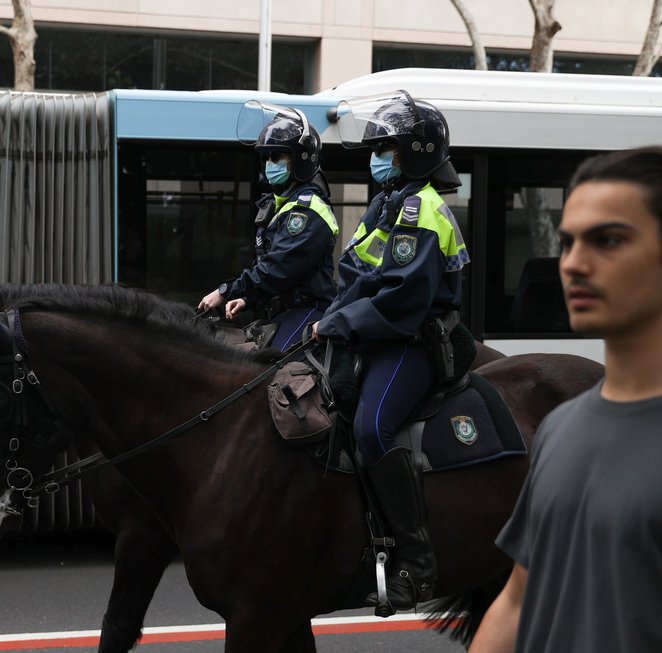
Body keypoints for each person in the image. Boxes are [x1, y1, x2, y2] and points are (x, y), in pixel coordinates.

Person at [468, 146, 662, 653]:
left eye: (608, 240)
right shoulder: (561, 426)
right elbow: (517, 603)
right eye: (567, 243)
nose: (572, 264)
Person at [311, 91, 470, 613]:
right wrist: (333, 318)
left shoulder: (423, 209)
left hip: (411, 341)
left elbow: (402, 298)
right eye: (377, 149)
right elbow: (356, 274)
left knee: (370, 429)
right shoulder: (386, 205)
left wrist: (340, 322)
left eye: (389, 149)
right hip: (374, 335)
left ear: (416, 153)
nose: (378, 157)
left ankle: (415, 561)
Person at [198, 104, 339, 351]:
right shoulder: (280, 204)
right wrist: (247, 298)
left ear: (301, 159)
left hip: (309, 311)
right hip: (283, 311)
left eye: (277, 156)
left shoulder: (308, 210)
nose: (269, 164)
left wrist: (227, 290)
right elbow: (265, 266)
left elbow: (279, 268)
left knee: (268, 372)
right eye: (266, 157)